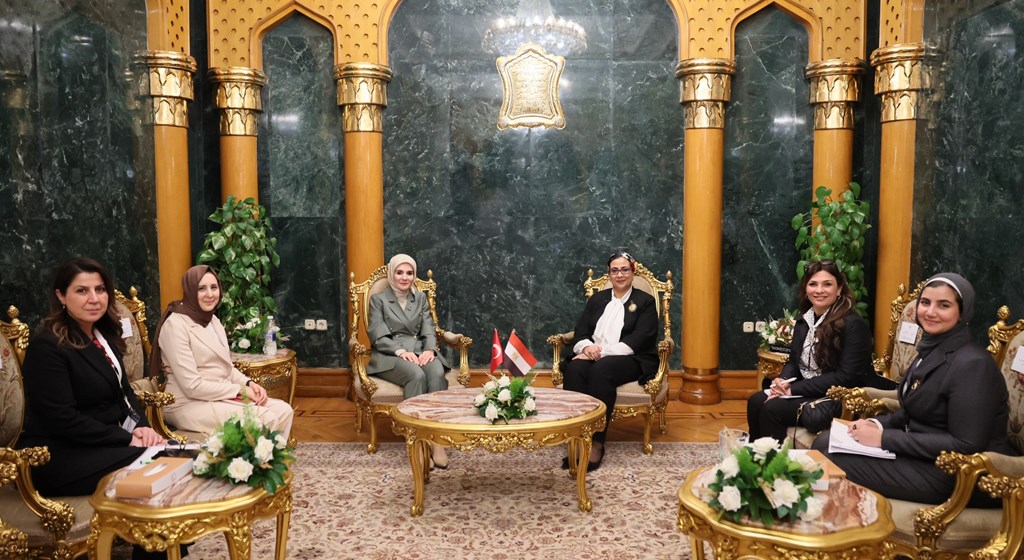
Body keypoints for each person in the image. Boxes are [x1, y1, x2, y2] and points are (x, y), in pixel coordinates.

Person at [812, 273, 1017, 505]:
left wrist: (884, 439)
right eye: (925, 302)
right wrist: (876, 424)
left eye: (944, 305)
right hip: (926, 456)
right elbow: (914, 412)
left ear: (963, 312)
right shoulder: (931, 348)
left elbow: (966, 445)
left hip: (960, 474)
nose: (930, 312)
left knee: (829, 458)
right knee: (824, 441)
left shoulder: (973, 363)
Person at [18, 257, 166, 498]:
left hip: (99, 445)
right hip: (57, 455)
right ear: (61, 296)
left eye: (100, 289)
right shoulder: (47, 346)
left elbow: (124, 392)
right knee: (160, 461)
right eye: (82, 291)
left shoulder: (102, 336)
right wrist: (126, 438)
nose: (94, 298)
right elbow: (63, 419)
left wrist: (142, 429)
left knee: (169, 455)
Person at [153, 265, 293, 438]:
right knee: (263, 418)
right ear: (190, 291)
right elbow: (192, 386)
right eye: (201, 289)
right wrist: (239, 391)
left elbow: (227, 368)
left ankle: (271, 456)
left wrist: (248, 383)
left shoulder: (213, 320)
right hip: (188, 403)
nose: (210, 294)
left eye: (214, 287)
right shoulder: (175, 326)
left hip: (219, 397)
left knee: (284, 410)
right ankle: (253, 457)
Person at [746, 260, 874, 442]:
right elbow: (793, 362)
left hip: (839, 396)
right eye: (813, 284)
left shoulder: (853, 324)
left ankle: (777, 459)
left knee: (772, 408)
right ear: (806, 289)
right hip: (809, 390)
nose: (819, 290)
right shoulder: (804, 320)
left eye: (827, 284)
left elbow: (847, 376)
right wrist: (783, 381)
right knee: (755, 401)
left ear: (839, 289)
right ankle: (756, 456)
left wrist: (793, 389)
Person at [561, 251, 659, 471]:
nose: (620, 275)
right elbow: (581, 331)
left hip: (631, 357)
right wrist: (586, 348)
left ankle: (597, 443)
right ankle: (577, 438)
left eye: (624, 270)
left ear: (632, 271)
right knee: (575, 368)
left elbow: (640, 339)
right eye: (615, 270)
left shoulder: (645, 301)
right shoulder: (597, 299)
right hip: (593, 353)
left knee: (601, 369)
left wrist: (599, 353)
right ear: (609, 274)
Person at [366, 254, 451, 467]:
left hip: (420, 350)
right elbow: (377, 335)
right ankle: (418, 442)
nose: (405, 277)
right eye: (399, 272)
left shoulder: (420, 298)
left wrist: (430, 349)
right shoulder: (378, 300)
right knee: (416, 375)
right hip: (389, 355)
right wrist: (400, 351)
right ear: (391, 274)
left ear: (414, 275)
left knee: (436, 372)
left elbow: (429, 328)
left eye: (409, 273)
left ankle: (436, 440)